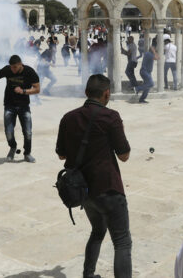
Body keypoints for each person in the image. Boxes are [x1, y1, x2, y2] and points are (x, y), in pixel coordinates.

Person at [56, 74, 132, 278]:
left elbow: (62, 154)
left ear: (86, 92)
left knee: (98, 232)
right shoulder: (111, 117)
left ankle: (88, 275)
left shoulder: (68, 117)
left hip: (84, 191)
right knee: (122, 241)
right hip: (108, 188)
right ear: (107, 94)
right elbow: (124, 155)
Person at [0, 55, 40, 163]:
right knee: (9, 131)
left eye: (15, 67)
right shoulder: (7, 69)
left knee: (28, 132)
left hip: (24, 106)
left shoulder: (29, 72)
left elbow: (37, 89)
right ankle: (13, 147)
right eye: (11, 67)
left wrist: (23, 91)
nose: (13, 69)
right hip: (9, 105)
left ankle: (27, 153)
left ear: (20, 64)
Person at [136, 39, 158, 103]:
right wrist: (154, 51)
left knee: (147, 87)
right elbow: (157, 58)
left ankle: (142, 99)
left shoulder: (149, 54)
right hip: (144, 72)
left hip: (147, 72)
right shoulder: (149, 54)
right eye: (154, 48)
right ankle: (137, 88)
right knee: (151, 84)